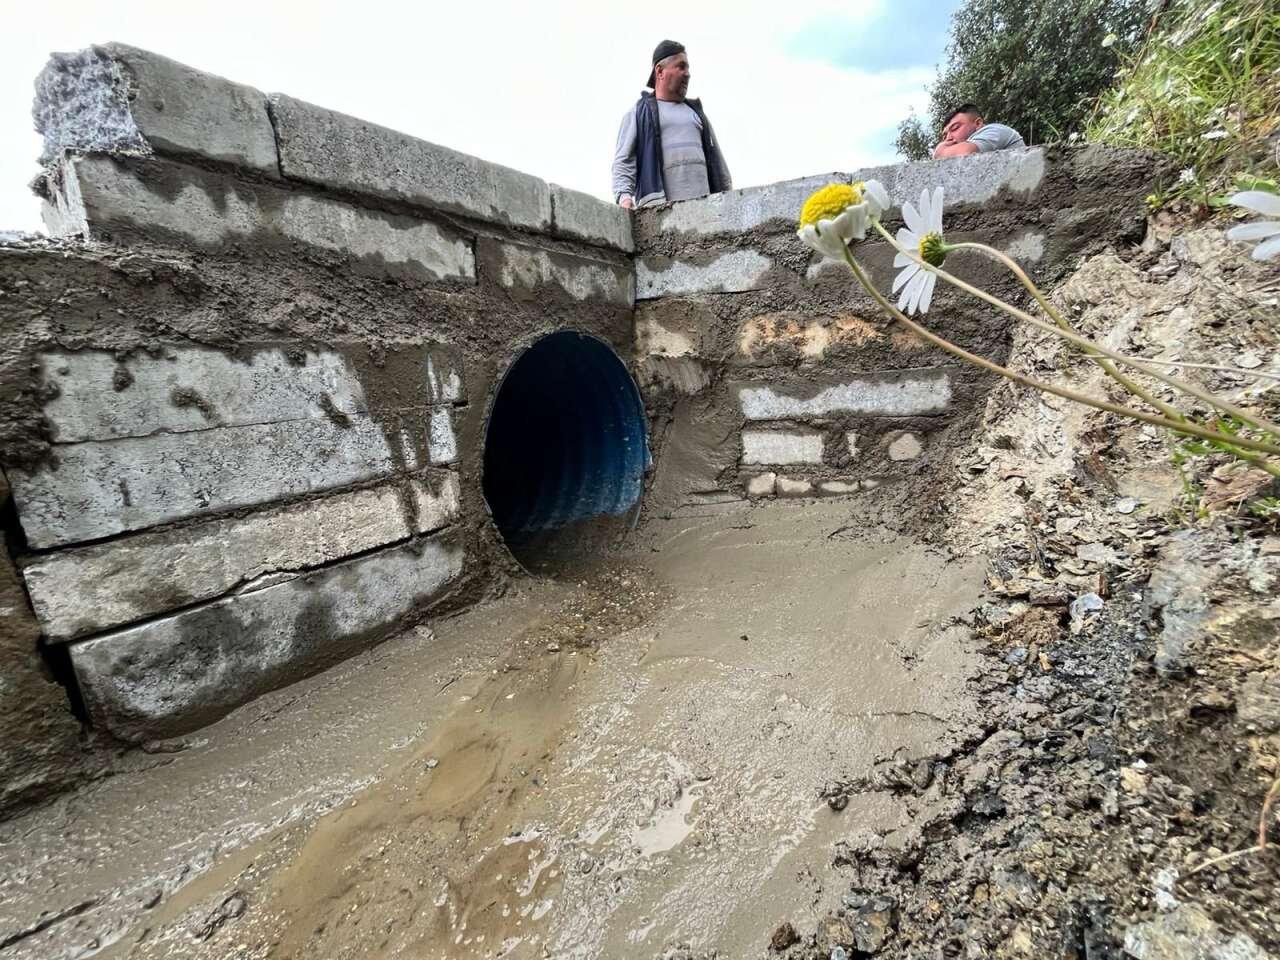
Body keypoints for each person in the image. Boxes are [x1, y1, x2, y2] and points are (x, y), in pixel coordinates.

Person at [611, 40, 732, 209]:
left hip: (706, 212)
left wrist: (729, 200)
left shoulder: (696, 113)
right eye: (681, 67)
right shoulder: (638, 114)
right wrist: (624, 198)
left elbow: (719, 165)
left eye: (688, 68)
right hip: (660, 215)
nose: (687, 74)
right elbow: (623, 162)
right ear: (660, 71)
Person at [933, 104, 1026, 159]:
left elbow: (965, 152)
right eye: (944, 136)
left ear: (978, 124)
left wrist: (940, 152)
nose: (948, 138)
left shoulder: (995, 130)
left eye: (955, 128)